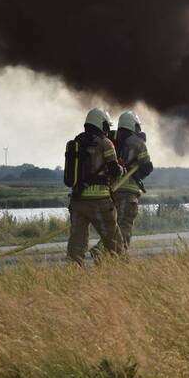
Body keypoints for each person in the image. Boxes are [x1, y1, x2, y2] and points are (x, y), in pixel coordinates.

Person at [63, 108, 125, 265]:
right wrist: (122, 169)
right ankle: (124, 272)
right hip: (100, 201)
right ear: (100, 123)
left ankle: (73, 272)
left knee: (76, 243)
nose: (108, 129)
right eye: (106, 125)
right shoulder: (105, 143)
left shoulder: (76, 143)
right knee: (113, 240)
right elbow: (114, 170)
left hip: (77, 201)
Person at [111, 110, 154, 248]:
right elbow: (147, 167)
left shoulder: (109, 139)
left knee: (113, 225)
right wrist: (138, 173)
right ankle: (112, 252)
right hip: (128, 191)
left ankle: (107, 254)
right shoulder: (138, 142)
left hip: (110, 190)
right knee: (125, 225)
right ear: (133, 125)